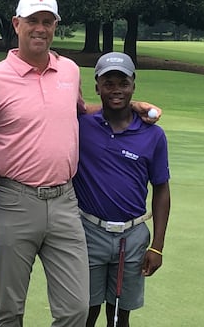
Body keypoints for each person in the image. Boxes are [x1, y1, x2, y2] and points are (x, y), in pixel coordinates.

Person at [0, 0, 160, 327]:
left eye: (48, 22)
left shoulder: (69, 71)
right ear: (17, 24)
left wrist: (130, 105)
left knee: (75, 308)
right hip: (12, 201)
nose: (40, 28)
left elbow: (78, 111)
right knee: (9, 310)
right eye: (33, 21)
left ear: (55, 27)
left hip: (64, 201)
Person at [73, 52, 171, 327]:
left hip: (132, 235)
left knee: (119, 316)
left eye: (123, 83)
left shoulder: (153, 135)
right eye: (108, 83)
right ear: (97, 87)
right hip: (88, 231)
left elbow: (161, 189)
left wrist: (158, 247)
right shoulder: (81, 127)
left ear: (133, 85)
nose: (116, 89)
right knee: (85, 313)